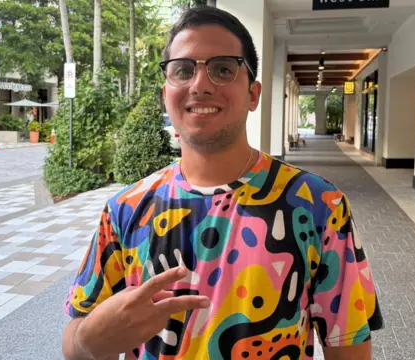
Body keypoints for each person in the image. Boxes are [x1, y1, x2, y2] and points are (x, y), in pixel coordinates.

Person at [62, 6, 384, 360]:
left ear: (253, 94)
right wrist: (91, 341)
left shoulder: (319, 206)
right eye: (183, 70)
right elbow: (77, 342)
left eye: (222, 69)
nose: (200, 85)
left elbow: (349, 346)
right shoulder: (124, 210)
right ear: (164, 94)